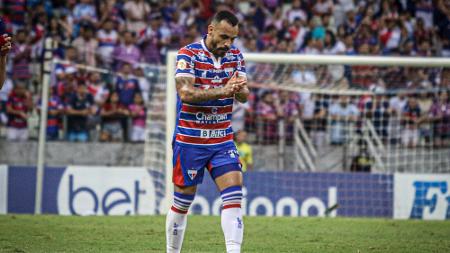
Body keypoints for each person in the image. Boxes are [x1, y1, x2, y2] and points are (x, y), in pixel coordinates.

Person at [166, 11, 249, 253]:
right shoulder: (188, 54)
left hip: (222, 141)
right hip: (190, 141)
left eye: (232, 39)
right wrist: (224, 90)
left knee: (234, 197)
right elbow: (186, 93)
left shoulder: (235, 56)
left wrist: (240, 88)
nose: (228, 44)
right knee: (182, 204)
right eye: (224, 37)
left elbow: (243, 95)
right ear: (211, 30)